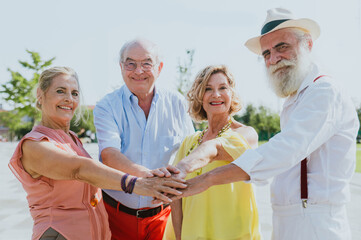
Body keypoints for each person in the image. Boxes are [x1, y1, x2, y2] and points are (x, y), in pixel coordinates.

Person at [172, 8, 359, 240]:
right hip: (288, 219)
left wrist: (206, 179)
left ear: (307, 44)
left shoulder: (324, 91)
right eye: (266, 53)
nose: (273, 58)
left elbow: (286, 148)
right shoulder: (295, 99)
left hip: (315, 222)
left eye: (282, 47)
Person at [8, 67, 186, 240]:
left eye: (74, 93)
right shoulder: (34, 144)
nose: (69, 99)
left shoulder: (71, 139)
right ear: (40, 94)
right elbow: (79, 169)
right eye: (60, 91)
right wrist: (137, 184)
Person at [93, 38, 194, 240]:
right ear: (121, 67)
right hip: (116, 216)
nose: (138, 71)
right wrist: (152, 179)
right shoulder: (106, 106)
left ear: (159, 68)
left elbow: (190, 150)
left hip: (163, 217)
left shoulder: (177, 103)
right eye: (131, 63)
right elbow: (109, 155)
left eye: (146, 63)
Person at [163, 65, 261, 240]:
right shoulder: (189, 142)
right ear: (200, 96)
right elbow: (175, 199)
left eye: (223, 88)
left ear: (232, 94)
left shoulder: (246, 134)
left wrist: (184, 166)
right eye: (208, 89)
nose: (216, 94)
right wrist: (179, 237)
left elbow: (216, 148)